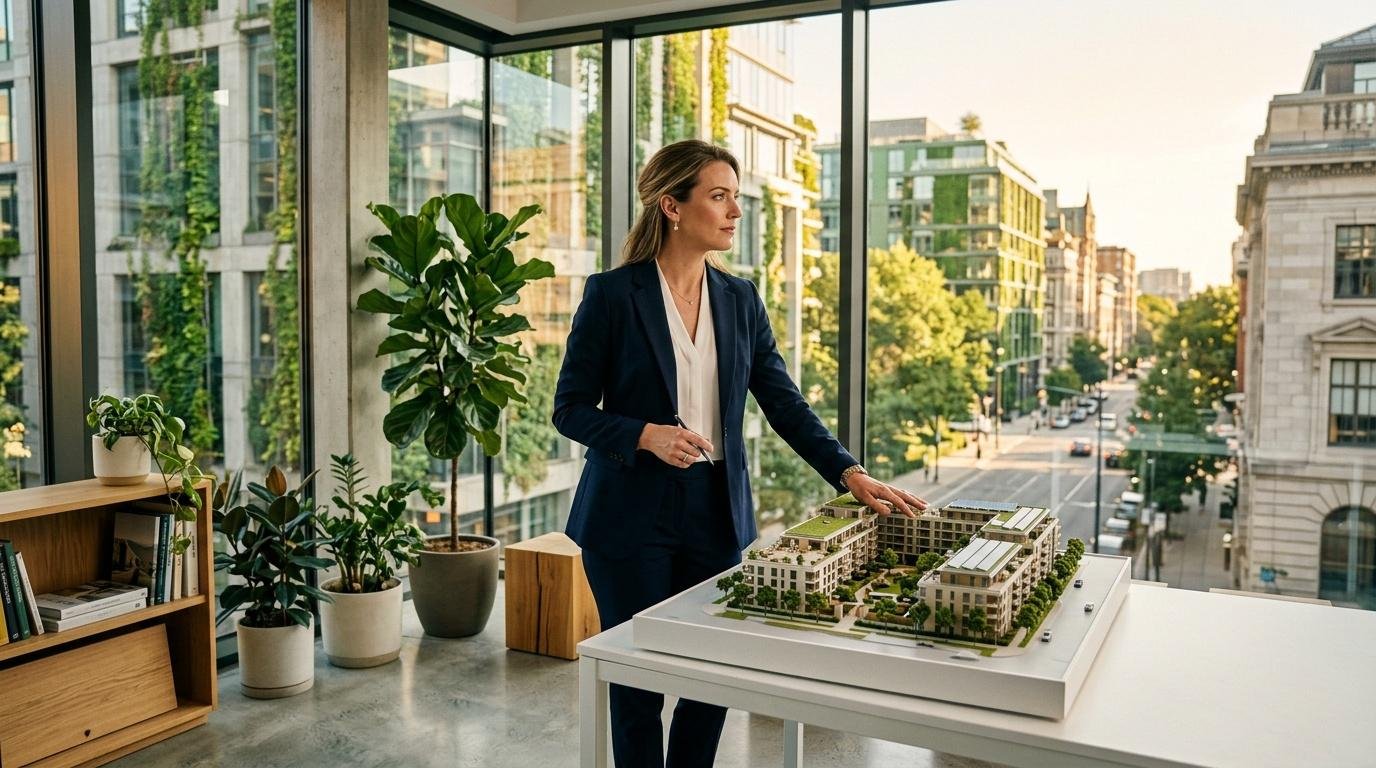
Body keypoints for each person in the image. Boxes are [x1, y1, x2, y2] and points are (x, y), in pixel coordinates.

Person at [552, 139, 926, 768]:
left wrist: (848, 471)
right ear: (672, 205)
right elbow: (570, 409)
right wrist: (646, 434)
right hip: (627, 516)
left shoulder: (741, 299)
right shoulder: (613, 295)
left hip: (715, 513)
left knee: (714, 673)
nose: (734, 212)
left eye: (736, 198)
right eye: (718, 196)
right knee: (638, 685)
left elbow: (783, 402)